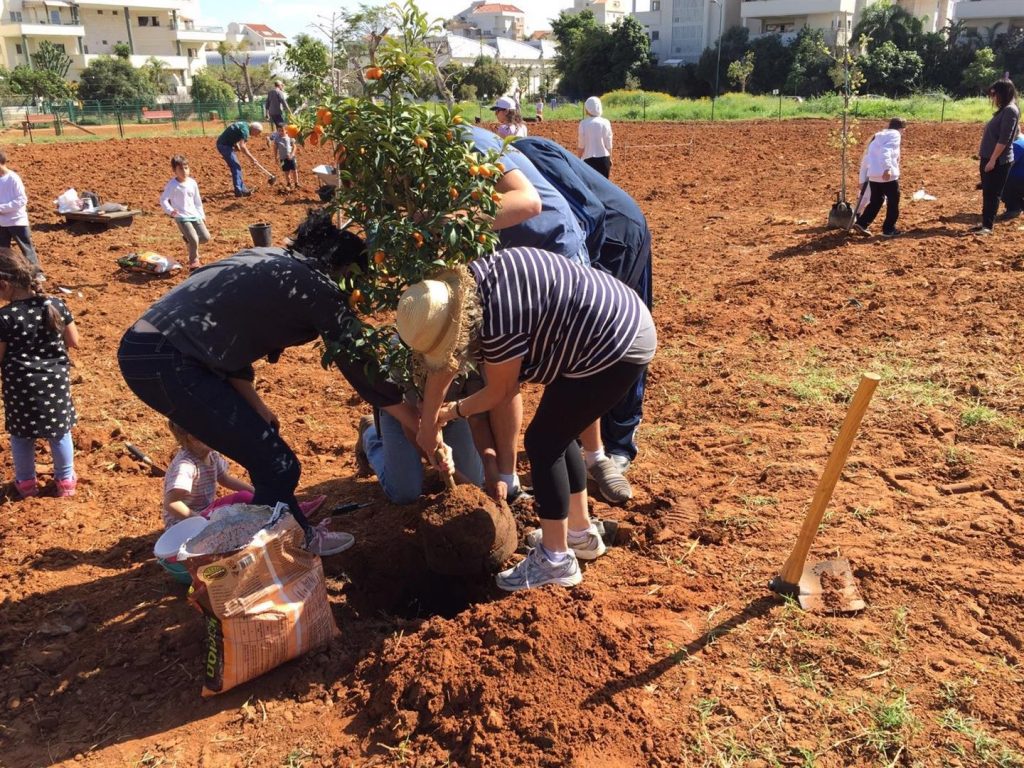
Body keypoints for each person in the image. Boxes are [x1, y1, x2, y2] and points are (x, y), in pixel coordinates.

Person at [400, 247, 656, 591]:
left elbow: (500, 392)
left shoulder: (500, 322)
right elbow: (447, 363)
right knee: (558, 432)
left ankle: (555, 560)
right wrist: (428, 426)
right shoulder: (470, 289)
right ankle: (578, 533)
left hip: (613, 346)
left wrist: (451, 412)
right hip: (600, 333)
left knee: (543, 442)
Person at [117, 211, 367, 556]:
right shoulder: (306, 282)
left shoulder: (274, 261)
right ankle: (280, 548)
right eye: (349, 277)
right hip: (166, 359)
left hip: (162, 350)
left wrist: (256, 405)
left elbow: (235, 344)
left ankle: (285, 529)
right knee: (276, 464)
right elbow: (358, 360)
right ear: (337, 266)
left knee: (270, 459)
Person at [516, 137, 653, 493]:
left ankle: (618, 444)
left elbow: (589, 207)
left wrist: (581, 274)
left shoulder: (528, 152)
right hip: (597, 238)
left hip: (616, 235)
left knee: (608, 336)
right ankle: (586, 442)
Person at [0, 247, 79, 498]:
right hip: (55, 382)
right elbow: (74, 341)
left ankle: (26, 484)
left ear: (4, 285)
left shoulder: (5, 317)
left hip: (19, 386)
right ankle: (66, 481)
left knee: (21, 436)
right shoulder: (55, 304)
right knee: (60, 432)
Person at [973, 79, 1020, 235]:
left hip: (998, 160)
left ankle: (987, 226)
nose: (993, 98)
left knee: (992, 193)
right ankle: (985, 223)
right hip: (990, 157)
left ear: (1003, 93)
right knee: (988, 192)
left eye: (995, 94)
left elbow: (1005, 139)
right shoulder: (1005, 110)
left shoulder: (1010, 111)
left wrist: (993, 159)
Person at [852, 117, 906, 238]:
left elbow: (870, 153)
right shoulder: (895, 134)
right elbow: (886, 150)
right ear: (901, 128)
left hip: (873, 175)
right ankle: (889, 229)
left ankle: (862, 223)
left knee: (876, 201)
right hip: (887, 175)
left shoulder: (879, 135)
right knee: (893, 201)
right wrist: (887, 168)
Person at [160, 155, 210, 269]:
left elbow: (197, 201)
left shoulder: (192, 183)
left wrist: (201, 215)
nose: (184, 171)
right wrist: (170, 211)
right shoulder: (172, 185)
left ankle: (187, 240)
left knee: (205, 237)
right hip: (181, 217)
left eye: (186, 168)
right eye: (180, 169)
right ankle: (194, 261)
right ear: (174, 171)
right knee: (194, 239)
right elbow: (163, 199)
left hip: (194, 215)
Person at [0, 151, 41, 278]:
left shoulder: (13, 178)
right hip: (1, 221)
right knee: (3, 250)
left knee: (26, 248)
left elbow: (22, 200)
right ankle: (5, 274)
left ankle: (36, 274)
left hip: (16, 220)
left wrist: (2, 208)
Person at [215, 120, 263, 197]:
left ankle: (242, 188)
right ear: (254, 129)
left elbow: (234, 132)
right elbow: (243, 147)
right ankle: (239, 191)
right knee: (236, 167)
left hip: (225, 144)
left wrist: (235, 143)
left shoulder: (244, 124)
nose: (257, 135)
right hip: (224, 146)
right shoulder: (246, 131)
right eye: (258, 132)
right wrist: (252, 158)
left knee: (237, 166)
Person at [579, 96, 613, 178]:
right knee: (604, 187)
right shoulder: (606, 122)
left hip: (588, 160)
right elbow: (609, 144)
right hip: (604, 159)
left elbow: (581, 145)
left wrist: (578, 159)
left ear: (587, 109)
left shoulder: (583, 123)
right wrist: (610, 158)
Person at [999, 133, 1024, 220]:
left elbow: (1008, 164)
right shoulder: (1022, 142)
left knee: (1000, 180)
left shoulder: (1016, 145)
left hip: (1019, 180)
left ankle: (1014, 208)